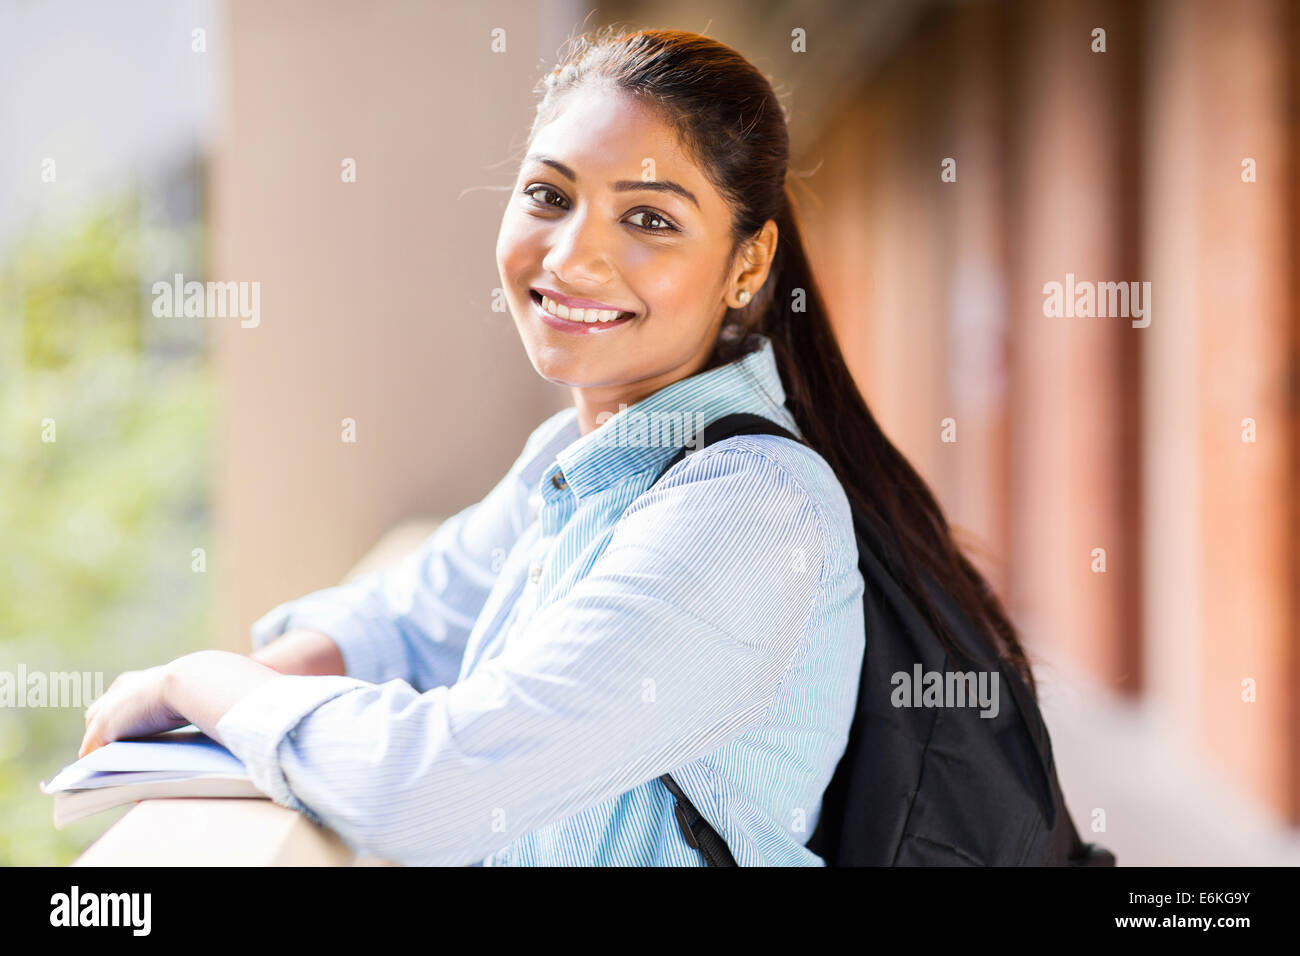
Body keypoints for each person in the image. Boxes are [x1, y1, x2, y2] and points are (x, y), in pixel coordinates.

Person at [80, 26, 1036, 867]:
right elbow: (407, 621)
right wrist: (263, 686)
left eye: (650, 219)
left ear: (747, 264)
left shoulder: (749, 510)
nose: (573, 256)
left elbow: (438, 788)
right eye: (549, 194)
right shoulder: (574, 463)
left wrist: (198, 683)